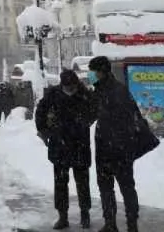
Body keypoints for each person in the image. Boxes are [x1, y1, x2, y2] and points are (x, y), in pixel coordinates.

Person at [89, 56, 155, 232]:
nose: (91, 75)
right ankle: (110, 223)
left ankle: (131, 224)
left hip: (118, 149)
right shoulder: (101, 90)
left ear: (101, 72)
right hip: (106, 148)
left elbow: (123, 121)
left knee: (125, 187)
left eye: (92, 71)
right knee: (107, 187)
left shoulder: (117, 91)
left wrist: (116, 143)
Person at [36, 70, 94, 230]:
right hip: (59, 146)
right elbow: (40, 112)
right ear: (62, 85)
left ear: (77, 84)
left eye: (73, 87)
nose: (70, 90)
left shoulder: (85, 94)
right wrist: (44, 130)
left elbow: (94, 111)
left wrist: (84, 121)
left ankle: (85, 213)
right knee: (60, 183)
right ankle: (62, 216)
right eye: (67, 87)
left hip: (79, 145)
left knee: (83, 183)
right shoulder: (52, 94)